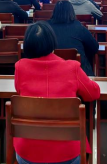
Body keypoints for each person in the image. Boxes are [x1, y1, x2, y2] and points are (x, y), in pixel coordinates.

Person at [14, 22, 101, 164]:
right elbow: (93, 93)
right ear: (53, 42)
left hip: (28, 154)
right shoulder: (72, 67)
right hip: (68, 153)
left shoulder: (20, 68)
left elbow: (19, 90)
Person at [48, 1, 99, 76]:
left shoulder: (46, 27)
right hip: (79, 73)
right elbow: (94, 47)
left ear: (54, 12)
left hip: (51, 72)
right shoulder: (78, 26)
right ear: (71, 12)